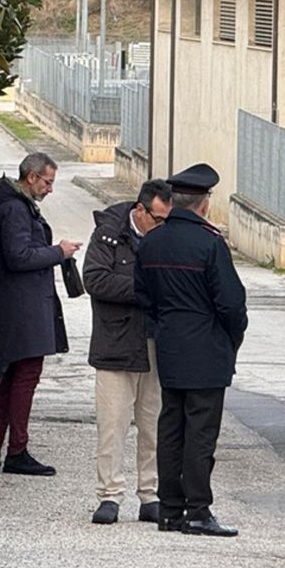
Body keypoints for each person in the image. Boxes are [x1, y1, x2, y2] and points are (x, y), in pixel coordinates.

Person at [135, 163, 247, 537]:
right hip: (207, 347)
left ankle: (170, 509)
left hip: (169, 346)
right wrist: (231, 339)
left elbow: (144, 296)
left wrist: (167, 324)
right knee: (200, 433)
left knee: (171, 427)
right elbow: (231, 303)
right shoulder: (209, 243)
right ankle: (198, 510)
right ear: (204, 204)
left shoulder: (151, 241)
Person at [0, 152, 80, 477]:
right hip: (22, 308)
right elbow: (18, 256)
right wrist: (57, 252)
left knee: (13, 377)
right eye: (47, 182)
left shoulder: (11, 207)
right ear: (31, 177)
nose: (50, 189)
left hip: (17, 306)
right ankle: (16, 450)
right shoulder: (15, 210)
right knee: (26, 377)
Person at [84, 179, 173, 525]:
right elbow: (94, 279)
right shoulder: (108, 234)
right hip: (115, 343)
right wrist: (144, 288)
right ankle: (109, 495)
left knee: (153, 424)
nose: (162, 224)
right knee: (113, 425)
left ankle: (149, 494)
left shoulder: (164, 236)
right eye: (157, 217)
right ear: (140, 210)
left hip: (154, 342)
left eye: (167, 217)